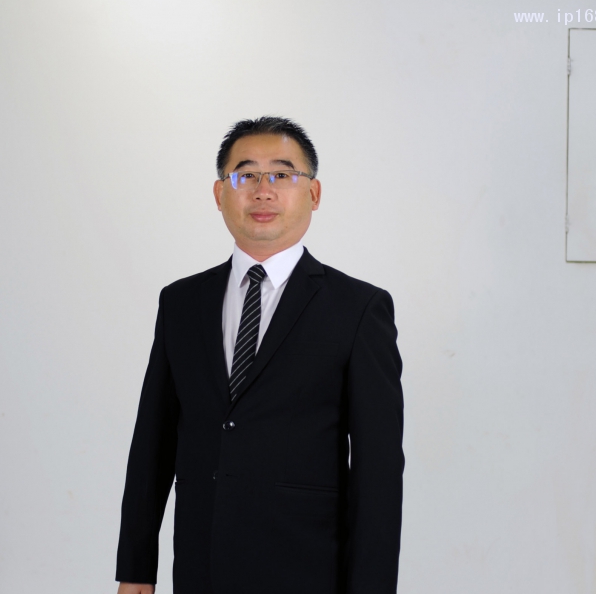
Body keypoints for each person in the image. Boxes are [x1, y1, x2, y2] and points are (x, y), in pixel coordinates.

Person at [116, 117, 404, 594]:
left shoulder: (358, 309)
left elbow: (379, 473)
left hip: (308, 571)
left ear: (313, 193)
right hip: (201, 568)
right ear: (219, 194)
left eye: (282, 174)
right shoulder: (181, 303)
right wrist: (135, 570)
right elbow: (152, 445)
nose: (263, 191)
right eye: (245, 175)